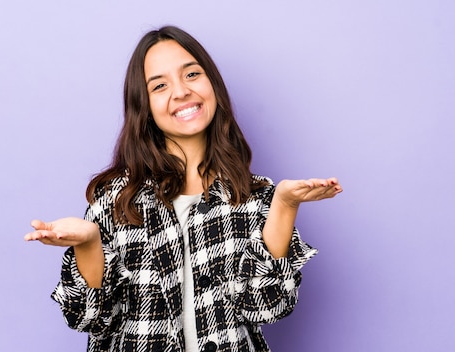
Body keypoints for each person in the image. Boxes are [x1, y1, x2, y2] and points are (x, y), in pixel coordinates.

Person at [24, 25, 342, 352]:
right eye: (160, 85)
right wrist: (90, 243)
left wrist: (285, 205)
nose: (180, 92)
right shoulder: (118, 200)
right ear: (144, 106)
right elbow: (89, 318)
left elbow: (267, 306)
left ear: (212, 84)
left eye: (191, 75)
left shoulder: (254, 196)